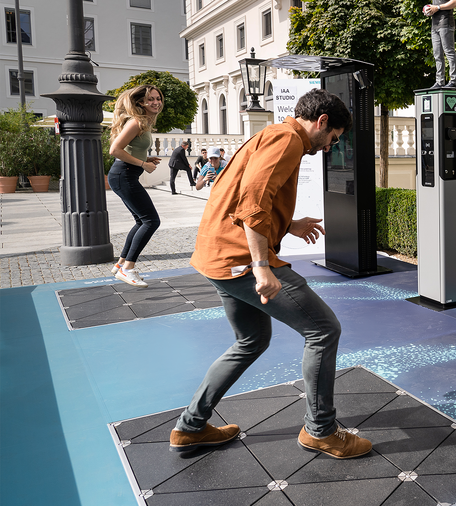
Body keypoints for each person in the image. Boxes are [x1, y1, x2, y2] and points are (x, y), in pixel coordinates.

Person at [169, 88, 372, 459]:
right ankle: (321, 431)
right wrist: (262, 267)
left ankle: (190, 427)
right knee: (323, 330)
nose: (329, 147)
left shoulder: (272, 135)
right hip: (241, 260)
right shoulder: (288, 139)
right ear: (322, 121)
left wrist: (288, 224)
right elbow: (252, 203)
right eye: (332, 139)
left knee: (250, 341)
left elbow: (247, 196)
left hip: (218, 256)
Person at [107, 84, 164, 288]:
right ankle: (128, 269)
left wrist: (146, 158)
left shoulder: (143, 122)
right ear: (141, 102)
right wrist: (143, 165)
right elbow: (115, 150)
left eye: (158, 99)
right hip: (124, 175)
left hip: (124, 175)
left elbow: (130, 148)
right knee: (151, 221)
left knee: (142, 221)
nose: (156, 102)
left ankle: (121, 264)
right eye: (151, 99)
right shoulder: (137, 122)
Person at [424, 0, 456, 89]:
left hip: (446, 23)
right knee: (437, 54)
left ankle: (454, 81)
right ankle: (440, 81)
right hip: (435, 25)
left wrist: (437, 7)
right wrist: (428, 10)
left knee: (449, 52)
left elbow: (455, 2)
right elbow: (434, 7)